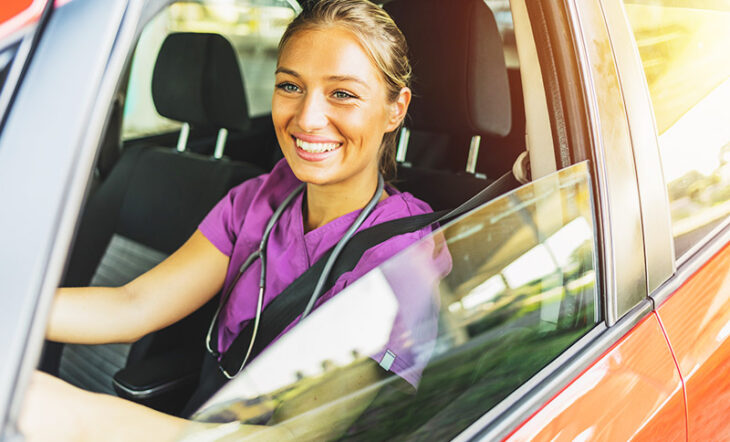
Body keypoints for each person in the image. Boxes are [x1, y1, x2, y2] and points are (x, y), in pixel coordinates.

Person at [19, 0, 448, 440]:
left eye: (342, 93)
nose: (307, 117)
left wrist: (73, 415)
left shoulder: (405, 254)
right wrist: (13, 309)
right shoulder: (258, 199)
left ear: (396, 108)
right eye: (290, 86)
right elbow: (133, 304)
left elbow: (290, 436)